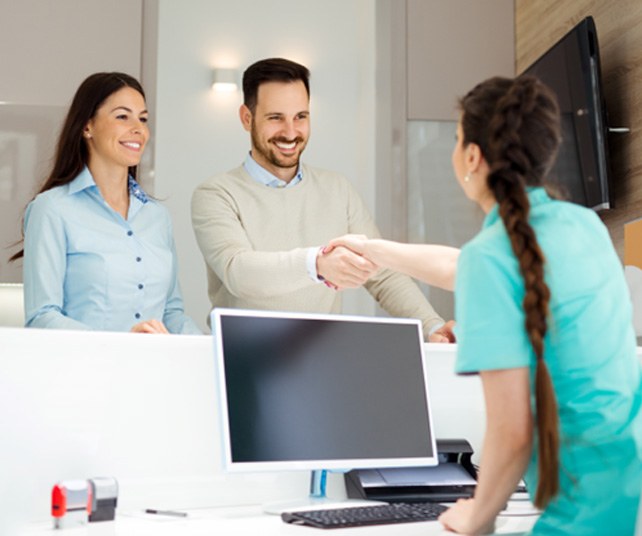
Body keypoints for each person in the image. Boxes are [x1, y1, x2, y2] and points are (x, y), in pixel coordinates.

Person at [328, 76, 642, 534]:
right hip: (626, 493)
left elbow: (512, 432)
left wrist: (477, 513)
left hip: (578, 513)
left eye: (457, 139)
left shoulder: (493, 256)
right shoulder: (583, 226)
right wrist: (374, 249)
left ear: (472, 156)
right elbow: (465, 266)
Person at [191, 57, 453, 342]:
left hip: (320, 358)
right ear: (246, 118)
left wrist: (431, 326)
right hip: (241, 359)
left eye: (300, 117)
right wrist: (317, 263)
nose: (291, 132)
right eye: (276, 117)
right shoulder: (216, 194)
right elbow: (239, 272)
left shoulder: (337, 190)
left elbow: (383, 274)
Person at [11, 72, 200, 334]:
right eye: (122, 116)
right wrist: (119, 344)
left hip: (153, 370)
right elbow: (43, 316)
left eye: (143, 119)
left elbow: (171, 312)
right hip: (85, 370)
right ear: (87, 126)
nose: (139, 129)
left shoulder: (157, 217)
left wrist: (208, 347)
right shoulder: (52, 209)